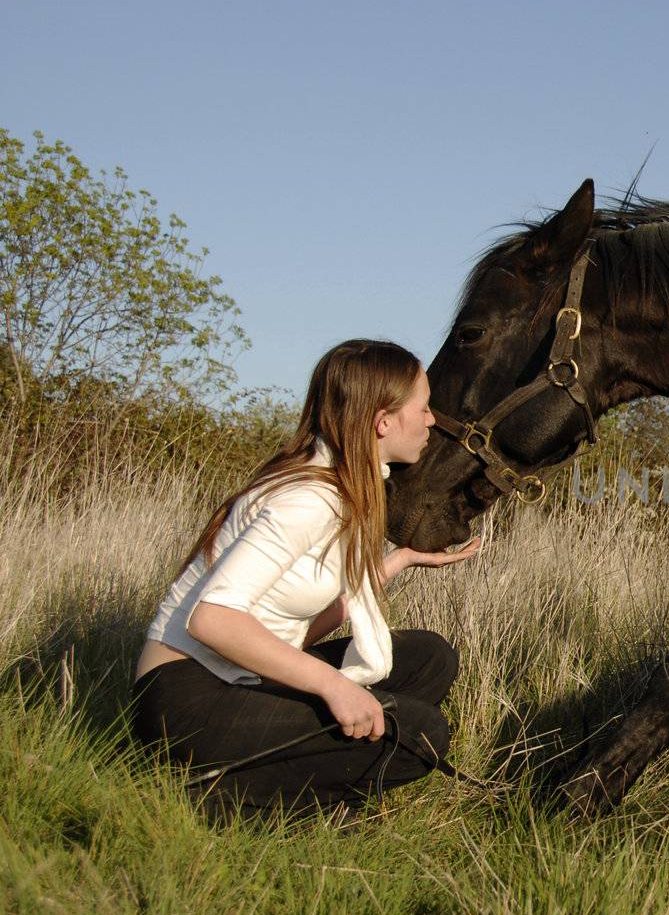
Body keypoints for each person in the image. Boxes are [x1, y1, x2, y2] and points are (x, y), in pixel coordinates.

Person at [132, 339, 482, 821]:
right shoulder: (307, 501)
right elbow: (212, 620)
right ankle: (222, 797)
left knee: (429, 658)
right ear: (383, 422)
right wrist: (334, 688)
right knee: (422, 736)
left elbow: (288, 622)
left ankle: (310, 776)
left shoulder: (337, 484)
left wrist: (397, 561)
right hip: (188, 700)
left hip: (241, 676)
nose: (431, 421)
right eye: (423, 408)